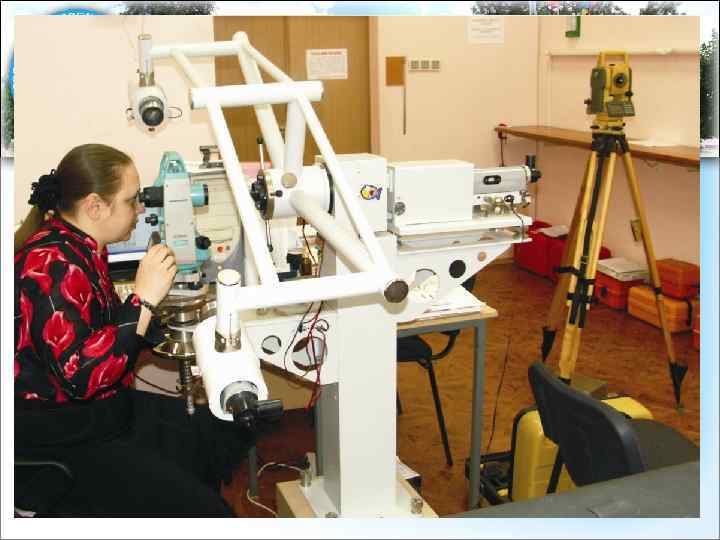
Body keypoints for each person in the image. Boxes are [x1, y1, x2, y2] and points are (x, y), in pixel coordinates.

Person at [14, 144, 248, 517]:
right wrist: (144, 299)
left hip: (102, 411)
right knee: (209, 514)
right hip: (62, 434)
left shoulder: (83, 248)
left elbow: (103, 329)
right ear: (95, 207)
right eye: (131, 200)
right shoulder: (50, 265)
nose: (140, 209)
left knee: (211, 432)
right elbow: (80, 378)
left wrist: (160, 321)